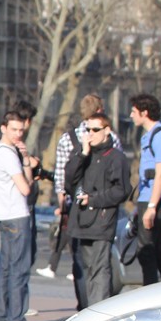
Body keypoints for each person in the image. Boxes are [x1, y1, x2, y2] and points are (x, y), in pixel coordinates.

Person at [38, 93, 105, 307]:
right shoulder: (107, 137)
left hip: (75, 205)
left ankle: (83, 304)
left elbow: (61, 178)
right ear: (100, 111)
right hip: (101, 205)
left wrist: (62, 205)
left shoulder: (69, 139)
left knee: (79, 259)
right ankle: (97, 304)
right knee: (100, 261)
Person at [61, 108, 130, 305]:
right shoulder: (83, 154)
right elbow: (69, 182)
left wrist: (94, 199)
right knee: (86, 269)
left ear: (107, 131)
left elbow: (121, 190)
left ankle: (97, 312)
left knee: (100, 269)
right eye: (88, 130)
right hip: (81, 221)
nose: (90, 134)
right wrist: (83, 154)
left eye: (95, 130)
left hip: (102, 220)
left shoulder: (116, 157)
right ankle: (86, 309)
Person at [0, 106, 38, 321]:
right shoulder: (8, 154)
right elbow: (25, 188)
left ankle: (1, 315)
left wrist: (26, 159)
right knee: (19, 268)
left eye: (20, 129)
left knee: (5, 267)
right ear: (4, 128)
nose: (18, 134)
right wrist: (24, 165)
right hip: (17, 215)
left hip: (2, 215)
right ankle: (17, 318)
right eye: (14, 129)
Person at [128, 93, 161, 284]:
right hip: (147, 198)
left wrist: (151, 206)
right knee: (156, 250)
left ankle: (154, 292)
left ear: (144, 112)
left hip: (155, 201)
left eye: (134, 111)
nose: (131, 115)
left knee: (147, 251)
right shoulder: (149, 136)